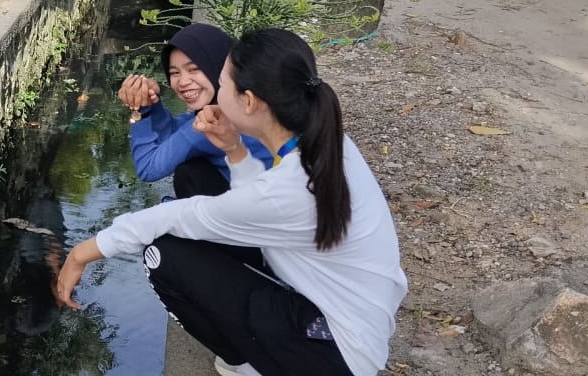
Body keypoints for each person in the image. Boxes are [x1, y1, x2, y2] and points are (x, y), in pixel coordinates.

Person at [56, 28, 407, 376]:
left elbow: (181, 214)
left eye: (222, 86)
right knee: (192, 180)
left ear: (249, 101)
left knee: (162, 254)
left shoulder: (286, 190)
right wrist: (233, 149)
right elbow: (259, 202)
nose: (207, 90)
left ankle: (246, 367)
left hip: (338, 355)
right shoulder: (325, 143)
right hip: (352, 319)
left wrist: (81, 252)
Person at [119, 24, 274, 198]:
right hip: (265, 197)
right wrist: (151, 102)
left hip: (253, 208)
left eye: (194, 69)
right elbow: (177, 134)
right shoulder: (250, 103)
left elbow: (148, 169)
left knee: (188, 173)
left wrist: (139, 112)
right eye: (175, 72)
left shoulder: (213, 123)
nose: (183, 81)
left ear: (220, 66)